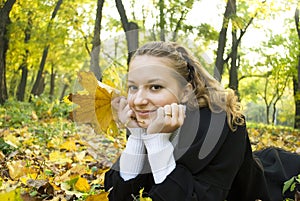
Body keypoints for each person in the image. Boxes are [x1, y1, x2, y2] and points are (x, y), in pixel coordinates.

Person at [104, 41, 300, 201]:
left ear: (185, 92)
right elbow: (116, 194)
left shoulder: (225, 125)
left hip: (268, 181)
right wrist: (137, 138)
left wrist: (157, 143)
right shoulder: (143, 119)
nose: (138, 100)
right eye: (132, 87)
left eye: (155, 87)